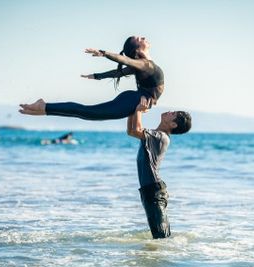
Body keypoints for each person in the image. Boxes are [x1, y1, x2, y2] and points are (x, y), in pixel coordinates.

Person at [19, 36, 163, 120]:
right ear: (137, 50)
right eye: (140, 38)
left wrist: (96, 76)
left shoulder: (145, 65)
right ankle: (44, 107)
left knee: (86, 112)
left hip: (133, 99)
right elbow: (125, 61)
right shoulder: (146, 65)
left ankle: (44, 108)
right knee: (87, 112)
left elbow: (118, 73)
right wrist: (103, 53)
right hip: (133, 100)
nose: (143, 37)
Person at [127, 99, 192, 239]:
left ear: (173, 124)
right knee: (160, 237)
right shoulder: (155, 135)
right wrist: (132, 111)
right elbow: (131, 131)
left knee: (161, 238)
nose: (169, 111)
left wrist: (138, 110)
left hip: (154, 192)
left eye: (173, 114)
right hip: (150, 190)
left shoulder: (161, 137)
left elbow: (136, 130)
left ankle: (166, 260)